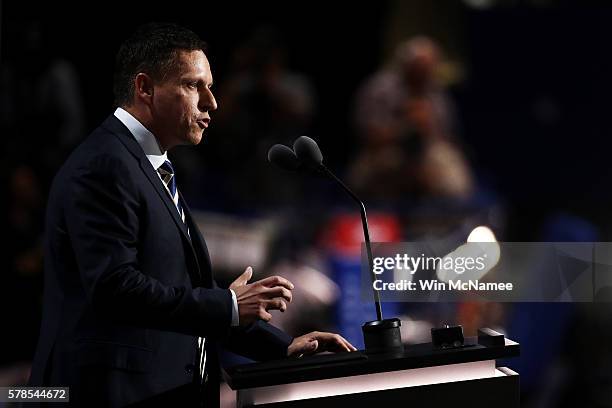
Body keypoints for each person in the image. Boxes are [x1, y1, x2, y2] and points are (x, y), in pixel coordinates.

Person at [28, 22, 355, 407]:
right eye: (193, 85)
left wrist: (284, 346)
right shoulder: (104, 165)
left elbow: (179, 289)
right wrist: (229, 306)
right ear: (145, 88)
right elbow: (115, 288)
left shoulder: (150, 164)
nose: (211, 102)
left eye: (210, 87)